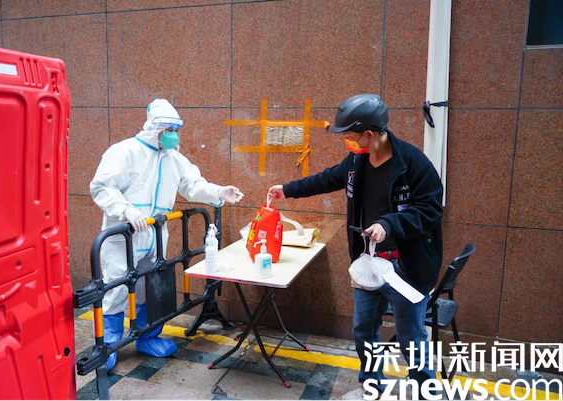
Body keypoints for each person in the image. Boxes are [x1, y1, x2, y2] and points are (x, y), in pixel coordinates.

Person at [268, 94, 443, 400]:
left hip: (406, 268)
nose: (346, 141)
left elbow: (430, 211)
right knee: (364, 331)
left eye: (349, 135)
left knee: (411, 339)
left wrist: (389, 224)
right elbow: (327, 179)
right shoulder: (356, 161)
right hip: (367, 261)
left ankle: (426, 392)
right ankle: (372, 387)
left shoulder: (413, 164)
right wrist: (288, 189)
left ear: (370, 135)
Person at [90, 99, 244, 370]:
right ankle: (108, 344)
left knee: (151, 287)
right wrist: (125, 210)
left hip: (154, 234)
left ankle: (148, 337)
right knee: (116, 287)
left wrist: (218, 191)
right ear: (154, 128)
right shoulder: (125, 152)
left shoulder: (174, 159)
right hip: (123, 234)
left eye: (175, 130)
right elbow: (102, 186)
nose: (173, 135)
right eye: (168, 130)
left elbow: (192, 184)